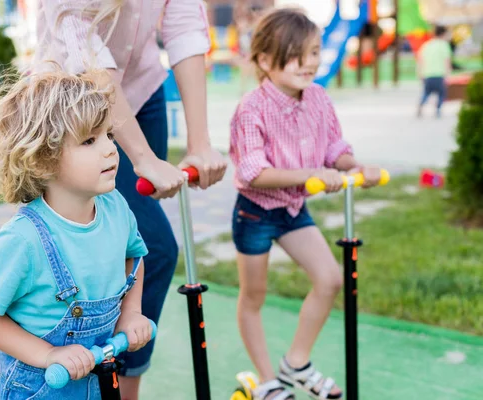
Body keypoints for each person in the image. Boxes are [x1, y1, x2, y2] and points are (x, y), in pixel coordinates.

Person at [32, 1, 227, 398]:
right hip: (75, 105)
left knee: (135, 250)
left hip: (141, 88)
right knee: (140, 249)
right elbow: (88, 58)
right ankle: (85, 377)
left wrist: (200, 142)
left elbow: (185, 27)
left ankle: (123, 384)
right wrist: (143, 159)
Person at [0, 69, 154, 399]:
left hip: (93, 380)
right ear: (43, 160)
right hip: (37, 386)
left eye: (108, 135)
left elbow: (133, 257)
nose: (110, 149)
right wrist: (48, 355)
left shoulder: (115, 207)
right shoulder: (24, 240)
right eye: (89, 141)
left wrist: (131, 313)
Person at [228, 8, 382, 400]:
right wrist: (310, 174)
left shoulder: (317, 98)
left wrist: (354, 167)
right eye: (298, 54)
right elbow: (252, 172)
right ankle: (266, 379)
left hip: (294, 210)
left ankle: (296, 361)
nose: (310, 62)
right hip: (257, 211)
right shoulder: (252, 107)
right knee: (254, 296)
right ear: (265, 60)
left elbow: (333, 147)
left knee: (330, 278)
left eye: (314, 52)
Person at [417, 25, 453, 118]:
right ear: (443, 34)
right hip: (439, 74)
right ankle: (438, 110)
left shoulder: (427, 45)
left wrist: (420, 73)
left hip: (427, 74)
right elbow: (447, 60)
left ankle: (421, 104)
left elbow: (421, 60)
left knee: (427, 92)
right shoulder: (444, 45)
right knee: (441, 93)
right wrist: (448, 73)